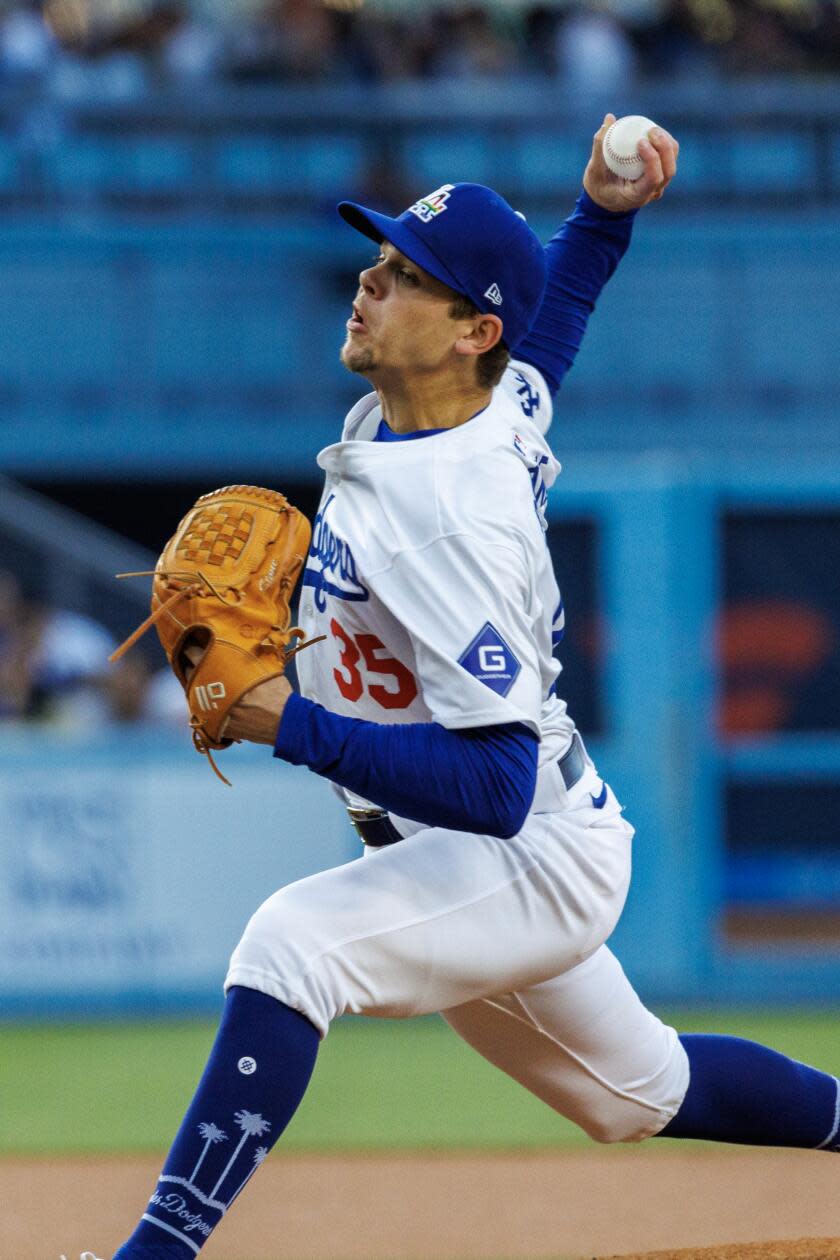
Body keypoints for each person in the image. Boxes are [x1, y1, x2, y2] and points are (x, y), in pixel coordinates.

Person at [110, 116, 839, 1260]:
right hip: (466, 842)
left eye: (407, 277)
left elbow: (495, 789)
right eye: (384, 260)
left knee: (290, 944)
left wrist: (286, 723)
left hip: (523, 848)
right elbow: (555, 324)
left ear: (466, 332)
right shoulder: (489, 403)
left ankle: (156, 1252)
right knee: (635, 1092)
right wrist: (603, 209)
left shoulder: (448, 517)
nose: (370, 279)